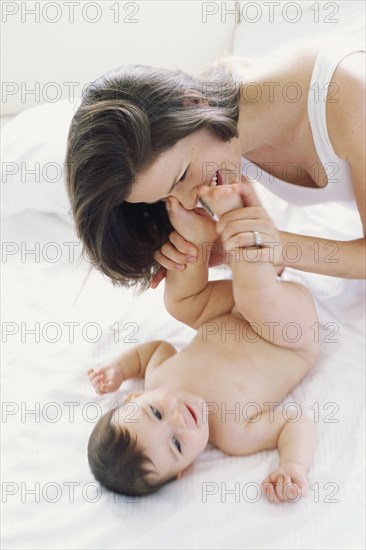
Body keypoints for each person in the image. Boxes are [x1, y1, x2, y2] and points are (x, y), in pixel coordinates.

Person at [65, 36, 365, 289]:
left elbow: (276, 248)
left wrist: (277, 245)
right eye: (167, 196)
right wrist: (230, 249)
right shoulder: (220, 136)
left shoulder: (350, 95)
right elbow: (272, 269)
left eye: (182, 176)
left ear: (194, 103)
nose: (188, 199)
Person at [87, 183, 320, 501]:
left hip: (230, 312)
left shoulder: (159, 377)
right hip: (289, 334)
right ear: (184, 469)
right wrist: (293, 466)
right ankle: (234, 217)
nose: (179, 419)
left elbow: (155, 350)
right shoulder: (236, 435)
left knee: (180, 302)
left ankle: (197, 234)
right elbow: (293, 424)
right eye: (177, 444)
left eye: (155, 413)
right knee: (254, 298)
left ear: (134, 398)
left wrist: (120, 368)